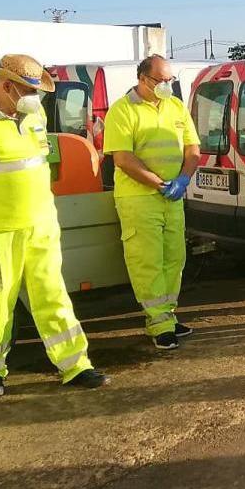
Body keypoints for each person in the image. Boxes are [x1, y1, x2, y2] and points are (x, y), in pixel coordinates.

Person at [0, 54, 109, 396]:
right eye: (30, 90)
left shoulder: (34, 116)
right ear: (6, 86)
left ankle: (75, 365)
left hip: (41, 226)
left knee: (53, 296)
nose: (37, 97)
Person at [104, 55, 201, 351]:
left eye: (170, 80)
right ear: (143, 79)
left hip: (173, 196)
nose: (166, 85)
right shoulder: (122, 110)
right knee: (147, 261)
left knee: (174, 258)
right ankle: (159, 324)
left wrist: (183, 179)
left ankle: (166, 317)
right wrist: (158, 184)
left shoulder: (175, 107)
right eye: (161, 80)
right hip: (139, 198)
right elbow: (122, 158)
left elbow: (192, 148)